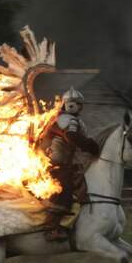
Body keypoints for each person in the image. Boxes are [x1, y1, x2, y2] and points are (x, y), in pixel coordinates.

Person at [40, 86, 99, 241]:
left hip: (67, 165)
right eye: (78, 104)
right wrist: (90, 146)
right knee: (64, 190)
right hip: (55, 165)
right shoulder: (66, 120)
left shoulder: (72, 120)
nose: (79, 107)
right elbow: (72, 136)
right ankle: (52, 228)